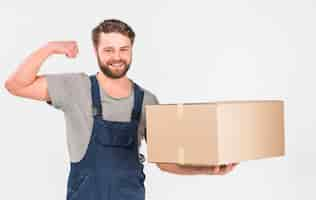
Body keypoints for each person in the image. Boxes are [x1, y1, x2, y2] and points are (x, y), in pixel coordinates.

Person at [5, 19, 238, 200]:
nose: (117, 57)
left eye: (123, 49)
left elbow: (165, 162)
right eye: (108, 50)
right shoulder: (76, 87)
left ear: (132, 49)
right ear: (96, 51)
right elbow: (16, 85)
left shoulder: (147, 100)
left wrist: (208, 170)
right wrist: (50, 48)